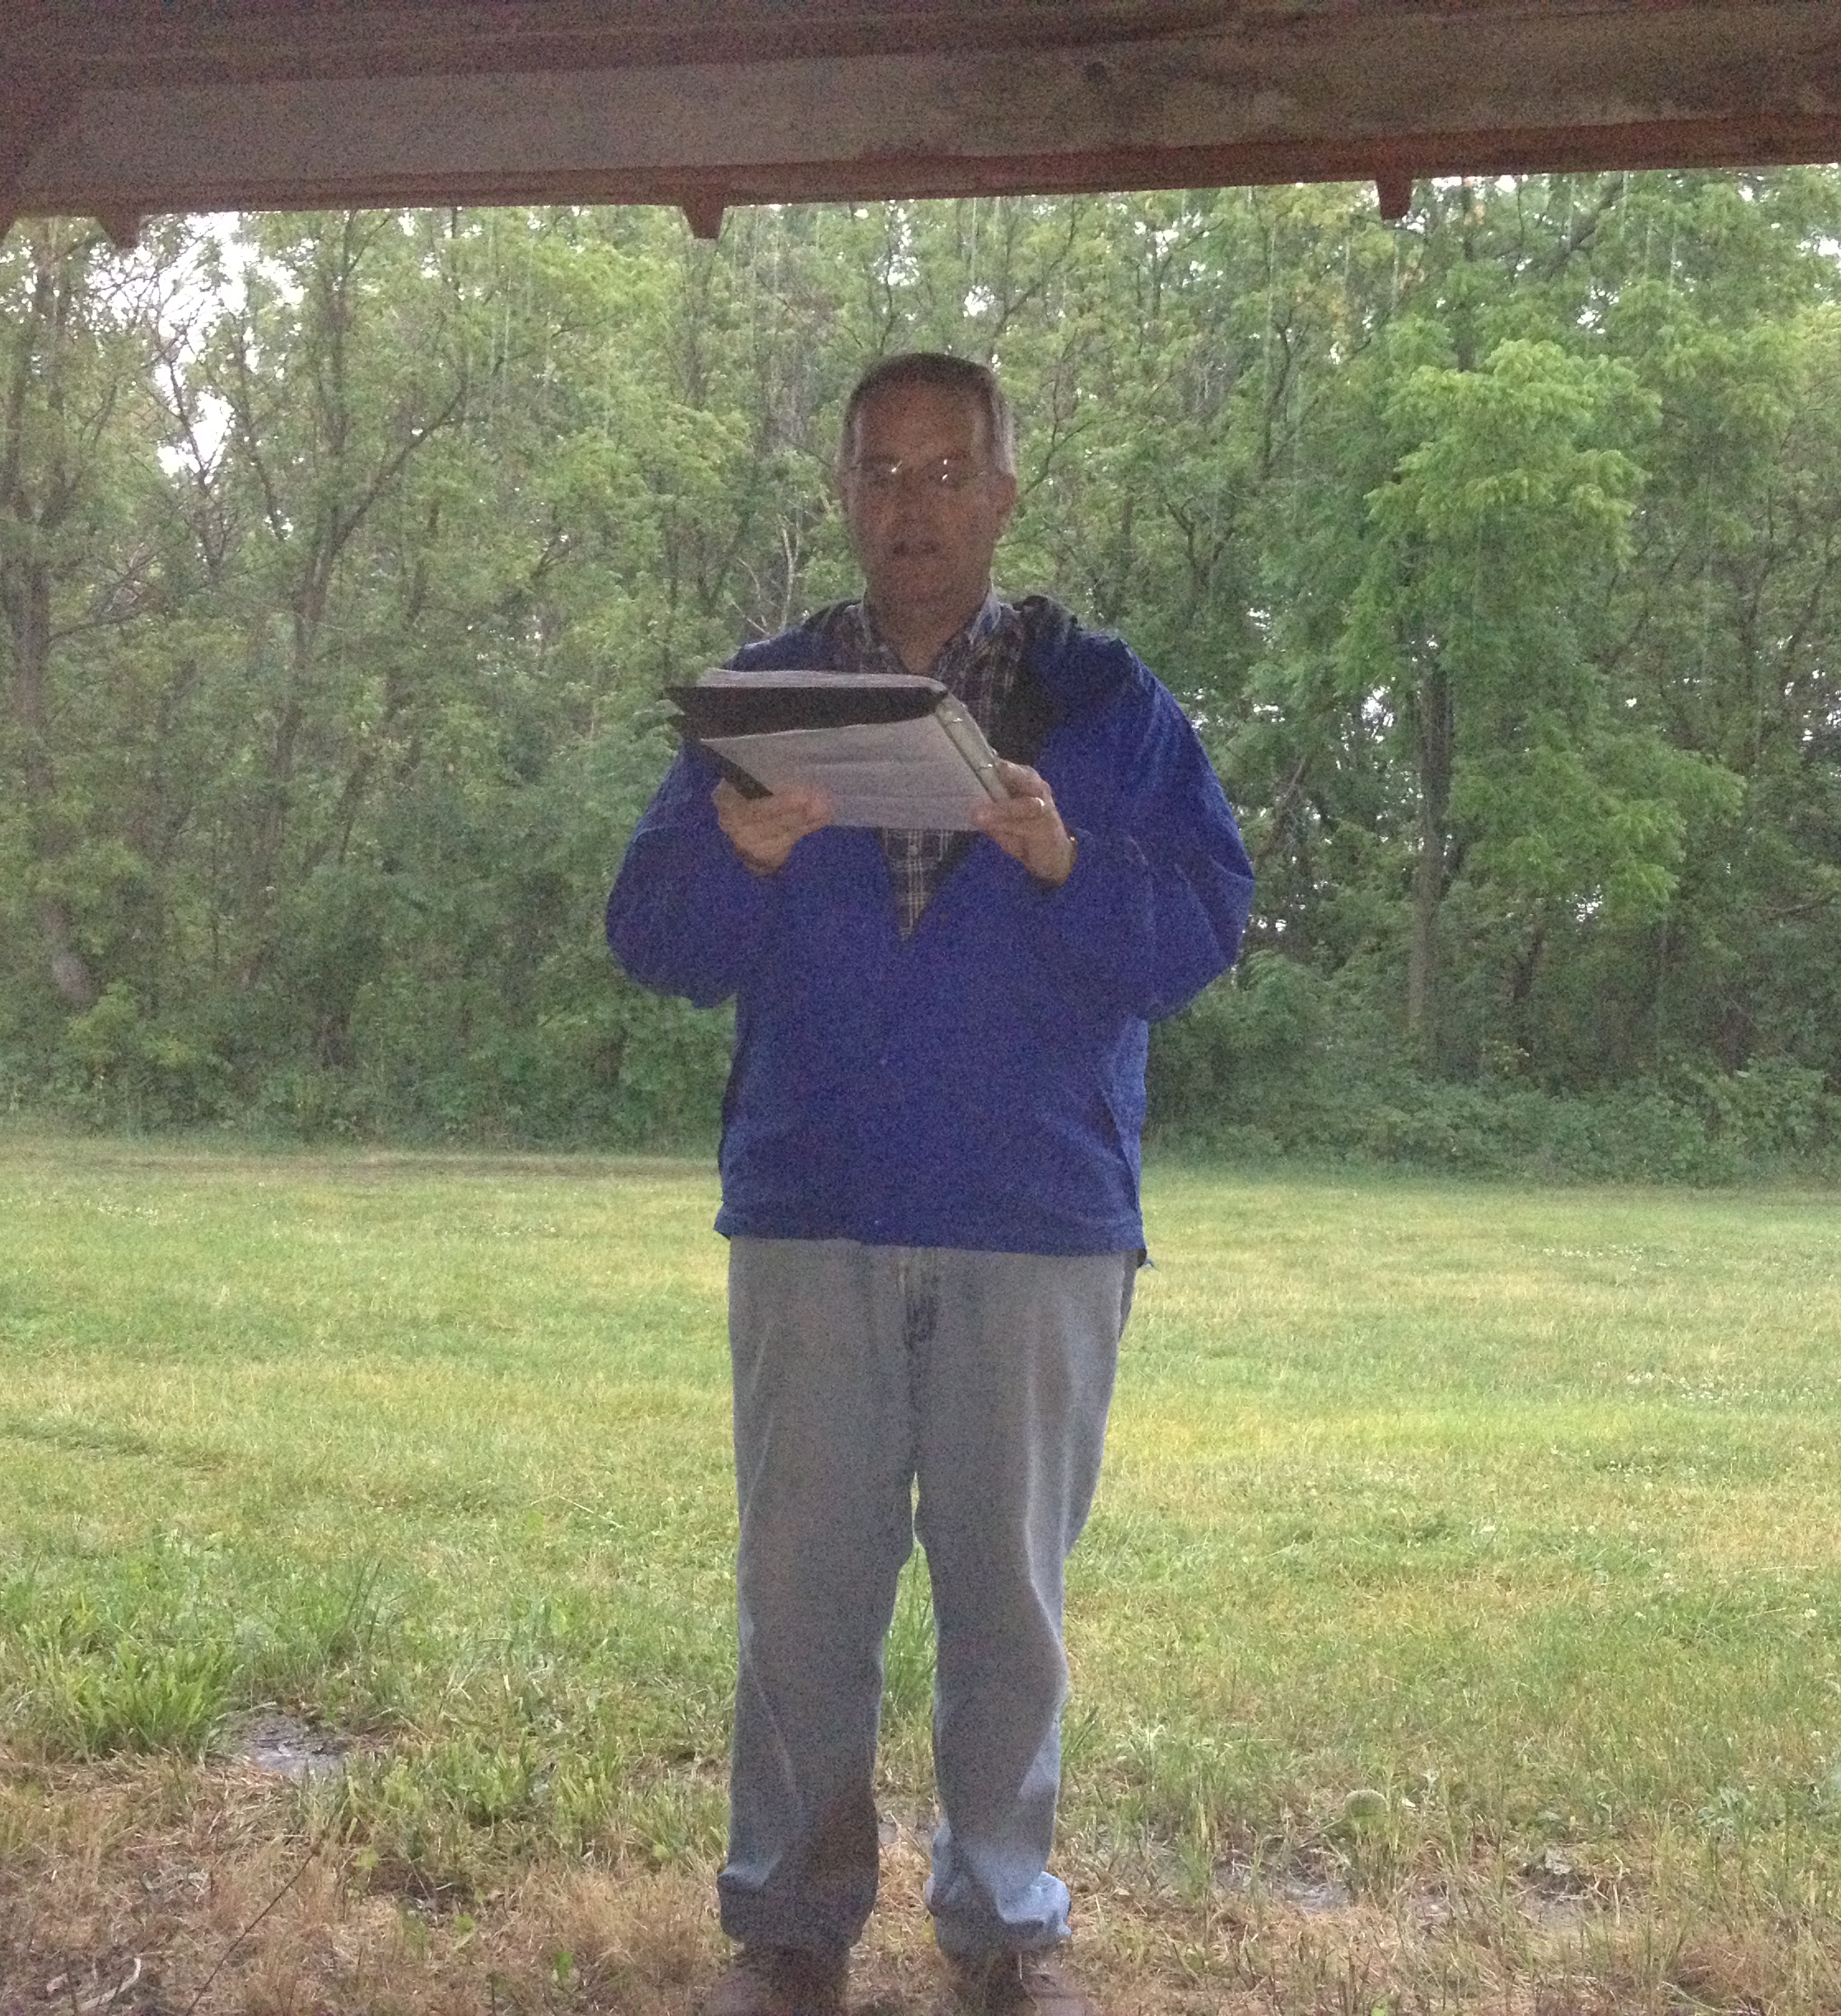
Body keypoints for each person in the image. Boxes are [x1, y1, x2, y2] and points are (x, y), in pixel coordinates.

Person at [607, 352, 1253, 2016]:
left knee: (1007, 1607)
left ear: (1005, 494)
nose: (914, 504)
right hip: (813, 1205)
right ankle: (788, 1929)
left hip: (1035, 1216)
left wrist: (1066, 861)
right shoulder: (764, 699)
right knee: (801, 1600)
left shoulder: (1106, 703)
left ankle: (1003, 1930)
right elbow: (653, 937)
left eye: (948, 470)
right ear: (843, 495)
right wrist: (735, 853)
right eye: (882, 472)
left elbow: (1200, 931)